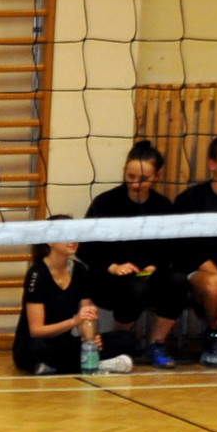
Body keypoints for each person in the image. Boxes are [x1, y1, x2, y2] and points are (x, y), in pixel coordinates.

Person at [78, 140, 183, 368]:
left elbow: (172, 249)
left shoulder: (163, 206)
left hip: (149, 275)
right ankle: (121, 343)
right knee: (135, 288)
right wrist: (113, 266)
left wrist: (156, 266)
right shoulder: (105, 202)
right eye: (130, 176)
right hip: (108, 278)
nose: (135, 183)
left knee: (178, 281)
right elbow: (85, 248)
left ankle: (156, 344)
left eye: (143, 178)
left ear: (157, 176)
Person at [13, 216, 135, 375]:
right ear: (49, 241)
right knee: (35, 349)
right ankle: (98, 365)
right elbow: (36, 331)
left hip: (64, 343)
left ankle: (59, 366)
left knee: (126, 339)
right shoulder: (37, 274)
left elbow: (86, 315)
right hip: (36, 344)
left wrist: (90, 339)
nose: (73, 240)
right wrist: (74, 321)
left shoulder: (80, 270)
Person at [172, 132, 217, 366]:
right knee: (215, 285)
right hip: (199, 272)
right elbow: (191, 252)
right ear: (212, 164)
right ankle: (214, 333)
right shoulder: (190, 199)